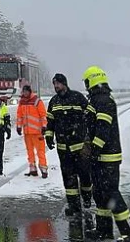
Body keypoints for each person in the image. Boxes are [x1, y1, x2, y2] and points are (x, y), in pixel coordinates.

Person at [82, 66, 130, 241]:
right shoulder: (98, 99)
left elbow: (103, 129)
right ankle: (104, 230)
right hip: (100, 157)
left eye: (86, 82)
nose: (86, 85)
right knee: (100, 194)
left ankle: (129, 233)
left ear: (92, 81)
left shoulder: (103, 100)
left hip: (108, 157)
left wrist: (94, 149)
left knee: (111, 193)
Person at [44, 72, 94, 226]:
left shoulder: (78, 98)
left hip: (80, 148)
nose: (56, 87)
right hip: (63, 148)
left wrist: (88, 138)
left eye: (58, 83)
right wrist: (48, 136)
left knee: (85, 176)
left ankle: (86, 199)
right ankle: (74, 206)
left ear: (64, 83)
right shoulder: (54, 101)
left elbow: (90, 117)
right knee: (68, 177)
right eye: (54, 84)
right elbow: (50, 122)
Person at [16, 84, 48, 178]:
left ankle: (43, 169)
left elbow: (43, 115)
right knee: (30, 151)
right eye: (24, 91)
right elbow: (19, 116)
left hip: (37, 132)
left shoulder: (37, 101)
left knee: (40, 151)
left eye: (26, 91)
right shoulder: (22, 102)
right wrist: (19, 127)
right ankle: (32, 168)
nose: (25, 93)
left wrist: (44, 126)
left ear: (30, 91)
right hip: (27, 132)